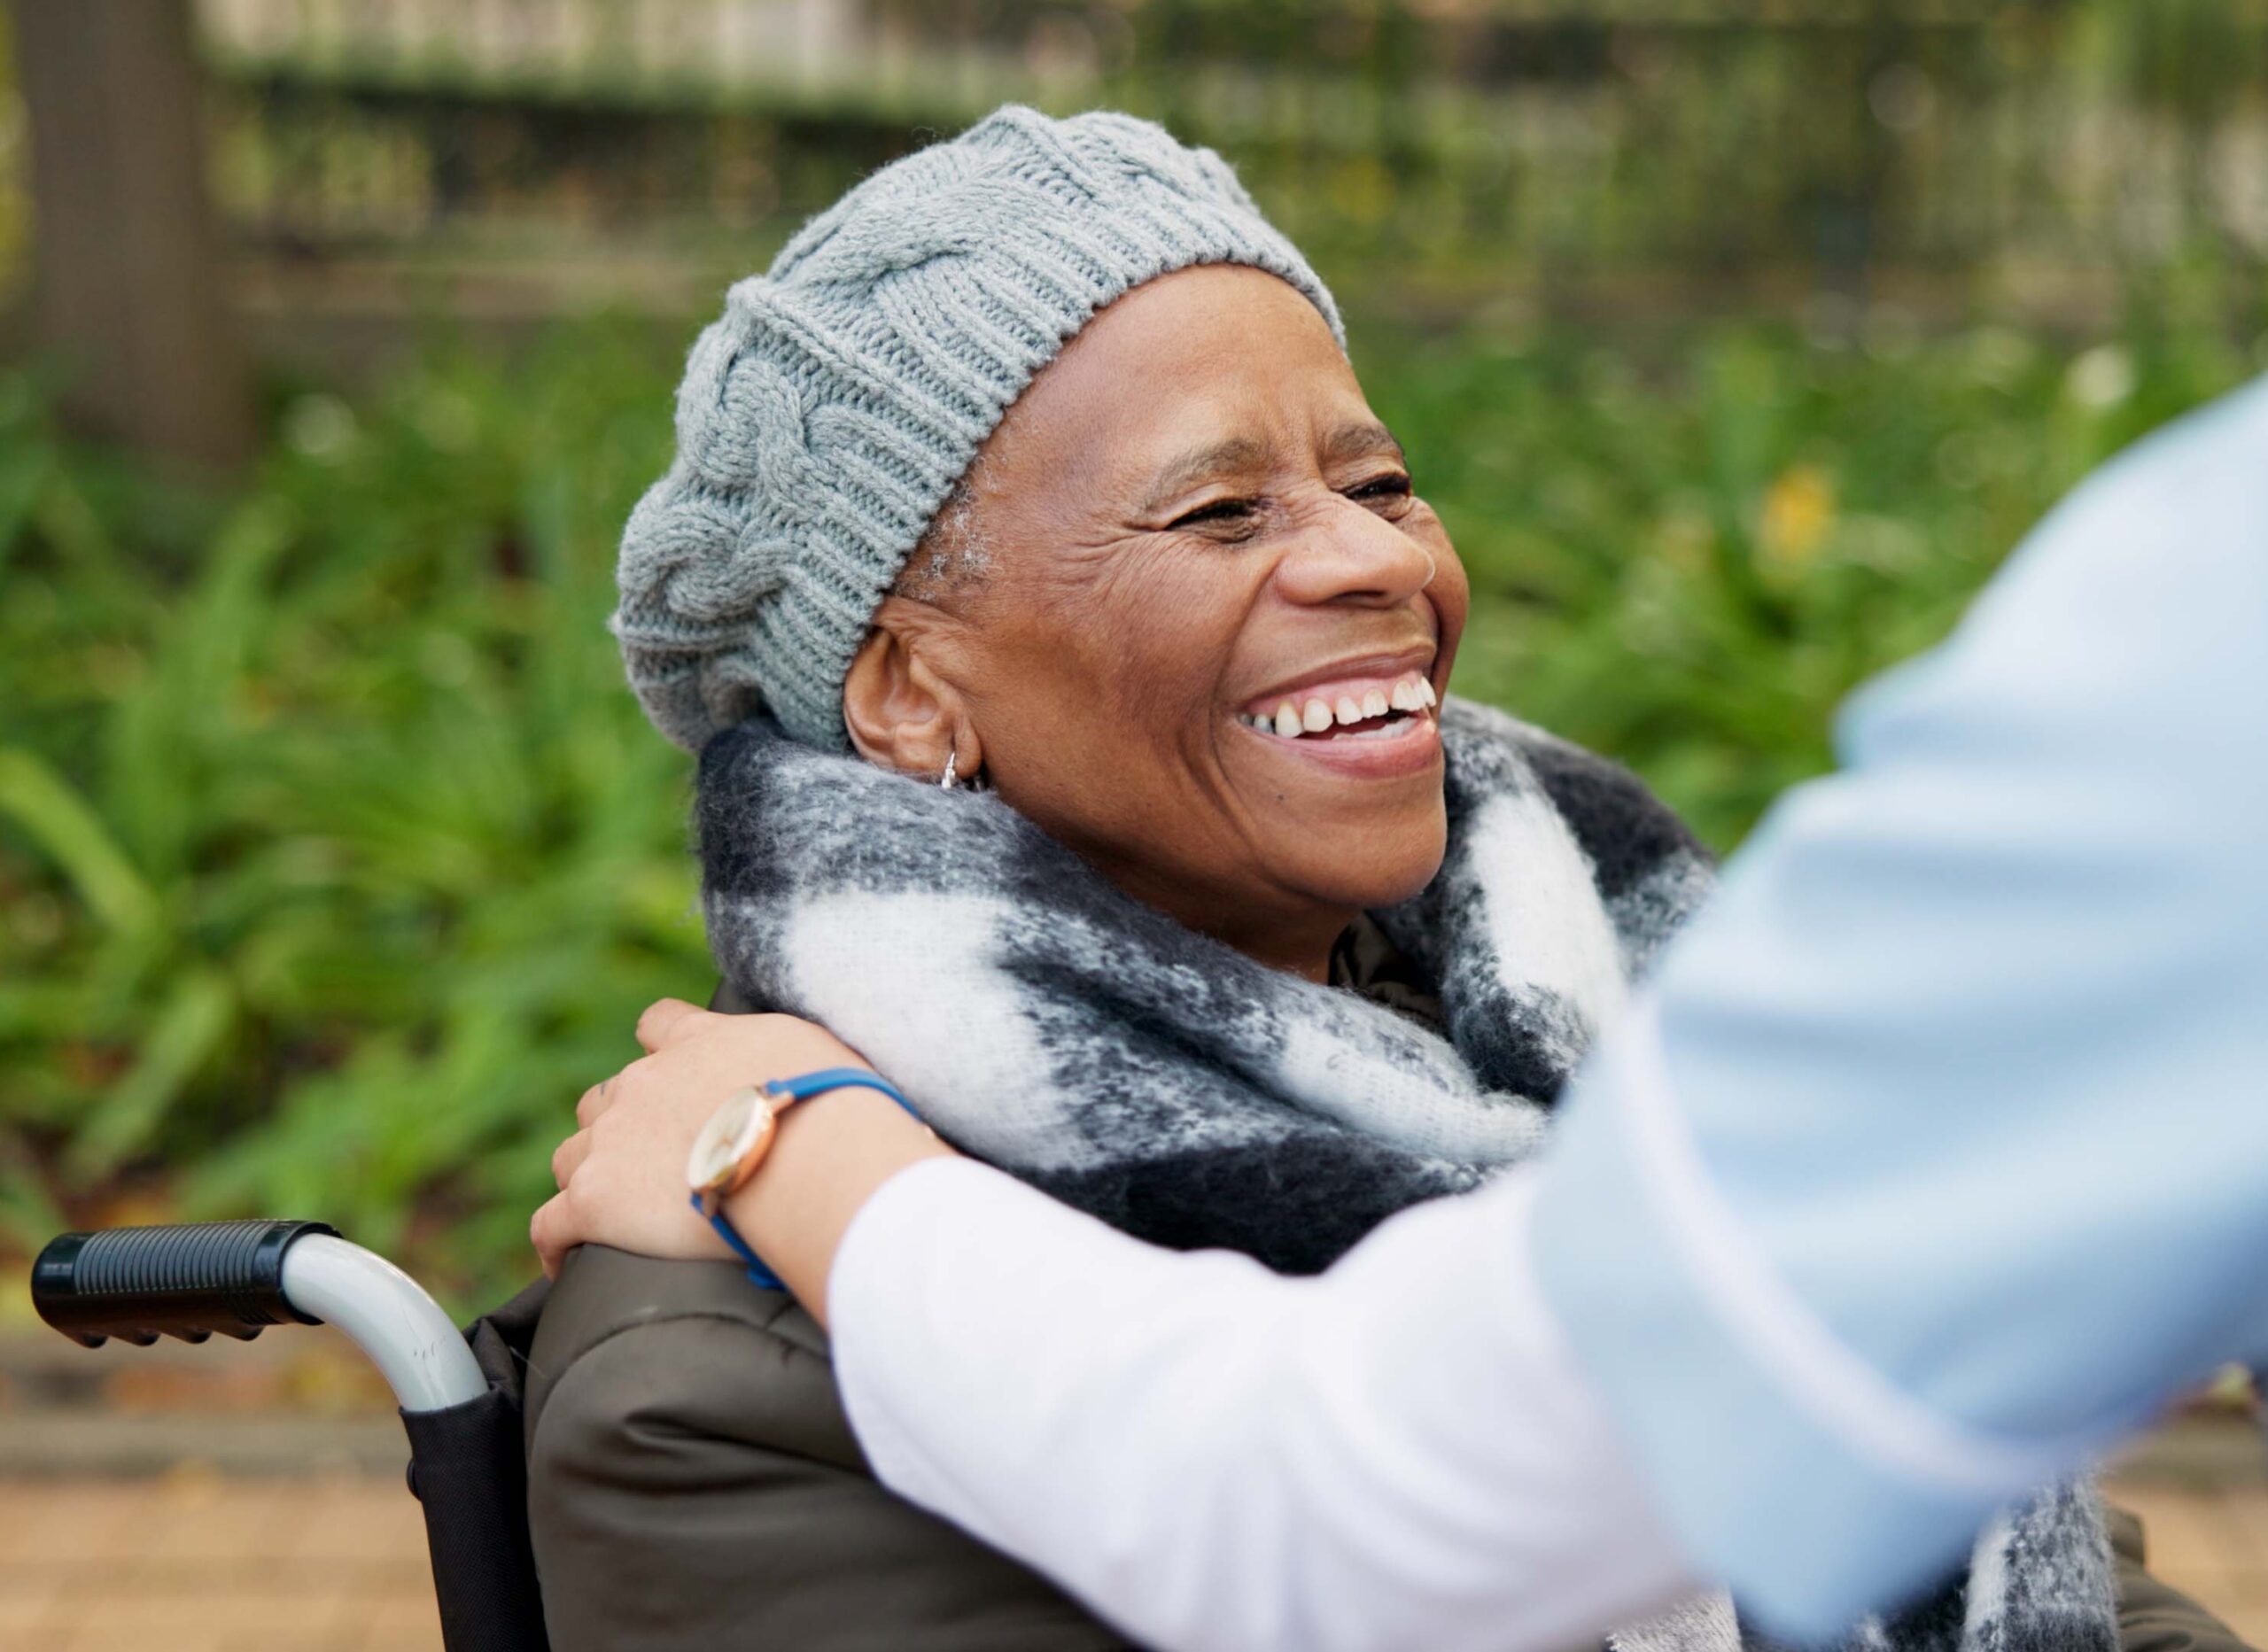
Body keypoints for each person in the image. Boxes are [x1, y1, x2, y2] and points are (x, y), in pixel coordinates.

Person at [532, 107, 2268, 1652]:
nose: (1375, 555)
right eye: (1219, 513)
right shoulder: (712, 1387)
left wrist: (800, 1156)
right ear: (911, 691)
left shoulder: (1612, 977)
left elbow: (1347, 1503)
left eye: (1378, 481)